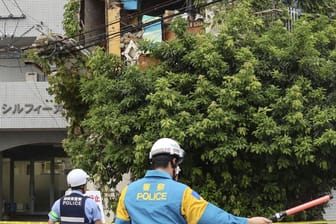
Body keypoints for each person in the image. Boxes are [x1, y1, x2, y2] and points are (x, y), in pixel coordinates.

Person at [115, 137, 272, 224]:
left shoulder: (128, 192)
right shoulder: (182, 193)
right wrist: (248, 222)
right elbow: (215, 219)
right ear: (174, 162)